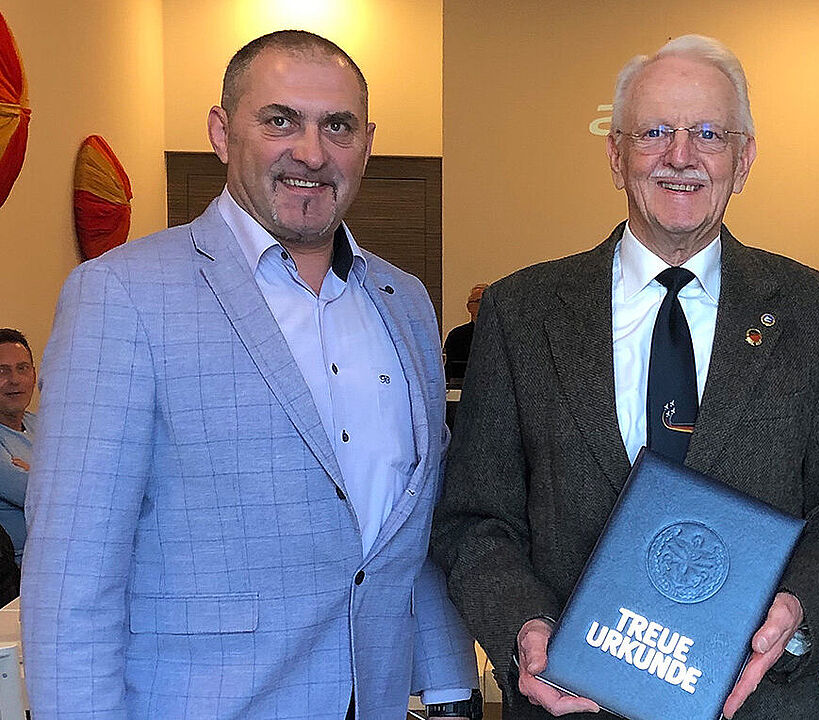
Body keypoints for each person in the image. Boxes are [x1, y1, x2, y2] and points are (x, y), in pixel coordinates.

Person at [431, 34, 819, 719]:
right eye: (654, 132)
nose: (681, 156)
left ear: (743, 160)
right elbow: (475, 519)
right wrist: (525, 629)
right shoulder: (521, 312)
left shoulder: (817, 313)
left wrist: (797, 612)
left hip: (754, 701)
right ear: (615, 155)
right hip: (569, 699)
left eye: (709, 134)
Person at [22, 31, 479, 719]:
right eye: (280, 121)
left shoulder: (404, 300)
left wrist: (449, 688)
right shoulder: (122, 294)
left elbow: (413, 532)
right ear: (221, 132)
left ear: (367, 143)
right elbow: (71, 572)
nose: (312, 153)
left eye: (338, 126)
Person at [0, 328, 36, 566]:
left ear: (34, 375)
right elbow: (44, 497)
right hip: (19, 575)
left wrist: (34, 473)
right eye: (2, 371)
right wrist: (48, 474)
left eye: (22, 368)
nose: (14, 379)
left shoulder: (44, 424)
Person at [443, 283, 488, 386]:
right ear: (469, 307)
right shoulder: (456, 336)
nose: (484, 305)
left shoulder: (502, 333)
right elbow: (448, 370)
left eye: (487, 301)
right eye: (479, 301)